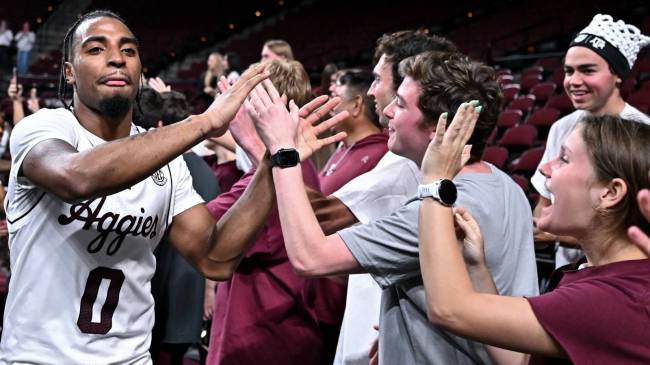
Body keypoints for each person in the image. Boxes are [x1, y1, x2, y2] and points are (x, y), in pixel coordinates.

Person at [0, 10, 336, 364]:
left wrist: (271, 164)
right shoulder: (44, 128)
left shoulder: (168, 162)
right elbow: (75, 177)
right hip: (38, 359)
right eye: (96, 49)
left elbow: (215, 258)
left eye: (129, 51)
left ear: (140, 71)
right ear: (69, 72)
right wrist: (204, 122)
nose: (117, 58)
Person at [248, 50, 538, 364]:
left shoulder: (437, 211)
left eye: (399, 104)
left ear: (437, 129)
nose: (386, 111)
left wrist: (282, 151)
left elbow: (310, 257)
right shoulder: (506, 185)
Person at [418, 110, 650, 364]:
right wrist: (477, 267)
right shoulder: (598, 275)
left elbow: (450, 310)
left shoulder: (611, 299)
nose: (545, 167)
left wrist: (434, 183)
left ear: (609, 192)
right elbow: (519, 359)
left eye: (563, 159)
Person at [206, 59, 346, 365]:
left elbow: (199, 231)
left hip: (259, 340)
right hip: (282, 333)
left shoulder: (274, 178)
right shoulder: (298, 167)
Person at [530, 14, 650, 268]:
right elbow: (541, 214)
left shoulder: (642, 133)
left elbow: (637, 233)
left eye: (587, 70)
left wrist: (557, 233)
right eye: (568, 71)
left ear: (618, 75)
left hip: (625, 278)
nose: (573, 81)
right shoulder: (561, 127)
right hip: (568, 273)